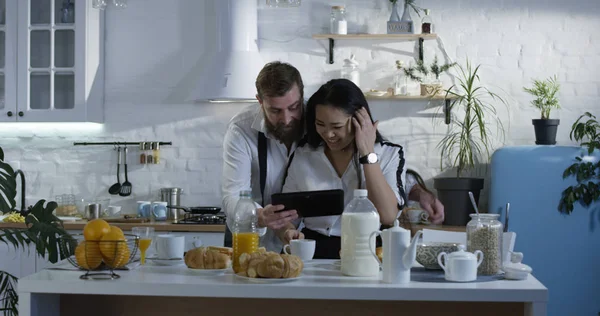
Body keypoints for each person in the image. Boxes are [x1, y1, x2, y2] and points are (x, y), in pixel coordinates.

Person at [221, 62, 444, 253]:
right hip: (259, 235)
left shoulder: (320, 116)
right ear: (260, 102)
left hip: (366, 249)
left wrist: (415, 189)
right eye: (275, 111)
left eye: (294, 107)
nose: (287, 118)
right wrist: (270, 221)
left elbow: (389, 203)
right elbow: (233, 195)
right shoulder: (245, 133)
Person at [276, 78, 412, 259]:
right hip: (313, 253)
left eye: (337, 126)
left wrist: (367, 153)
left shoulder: (389, 153)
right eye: (320, 124)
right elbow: (286, 218)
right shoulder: (303, 155)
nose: (328, 134)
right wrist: (287, 232)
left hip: (367, 251)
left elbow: (387, 216)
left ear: (359, 121)